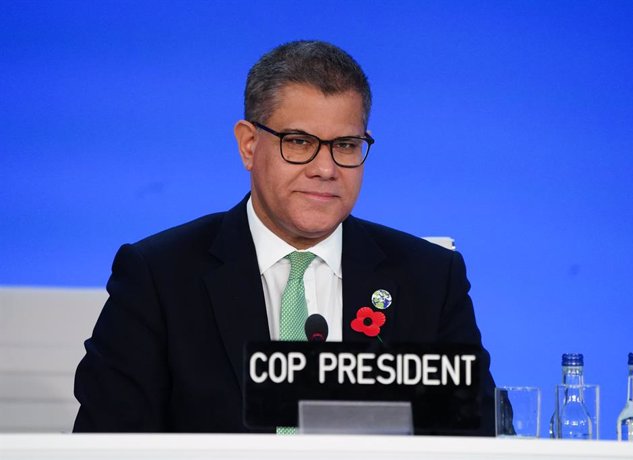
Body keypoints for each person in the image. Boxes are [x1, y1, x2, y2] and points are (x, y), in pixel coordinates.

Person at [73, 40, 496, 434]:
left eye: (346, 145)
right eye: (299, 141)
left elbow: (474, 437)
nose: (326, 169)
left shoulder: (430, 278)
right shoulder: (159, 277)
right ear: (249, 145)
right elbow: (106, 442)